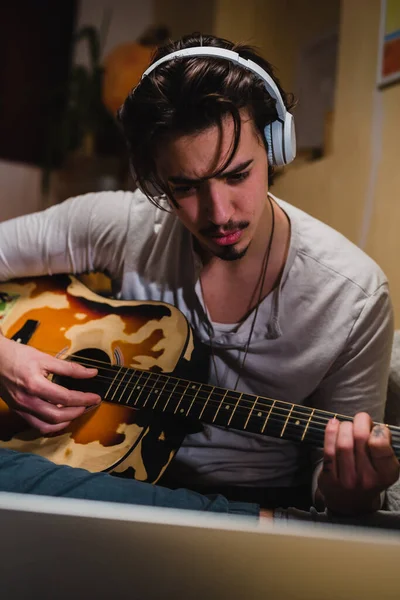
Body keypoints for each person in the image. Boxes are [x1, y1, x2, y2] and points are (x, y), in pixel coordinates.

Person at [0, 32, 398, 518]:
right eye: (184, 187)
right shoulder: (125, 224)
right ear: (152, 178)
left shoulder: (353, 297)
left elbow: (335, 491)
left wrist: (351, 490)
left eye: (237, 175)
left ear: (275, 148)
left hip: (246, 510)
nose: (219, 213)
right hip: (94, 474)